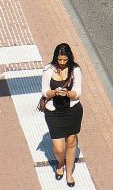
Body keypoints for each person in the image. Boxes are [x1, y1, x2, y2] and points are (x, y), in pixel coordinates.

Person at [41, 43, 84, 186]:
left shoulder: (75, 69)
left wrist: (67, 93)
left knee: (71, 141)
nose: (62, 63)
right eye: (59, 60)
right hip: (54, 112)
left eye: (65, 60)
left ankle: (69, 173)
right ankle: (60, 163)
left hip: (72, 110)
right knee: (59, 148)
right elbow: (44, 91)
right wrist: (54, 92)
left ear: (69, 58)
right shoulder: (48, 69)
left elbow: (77, 93)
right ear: (55, 58)